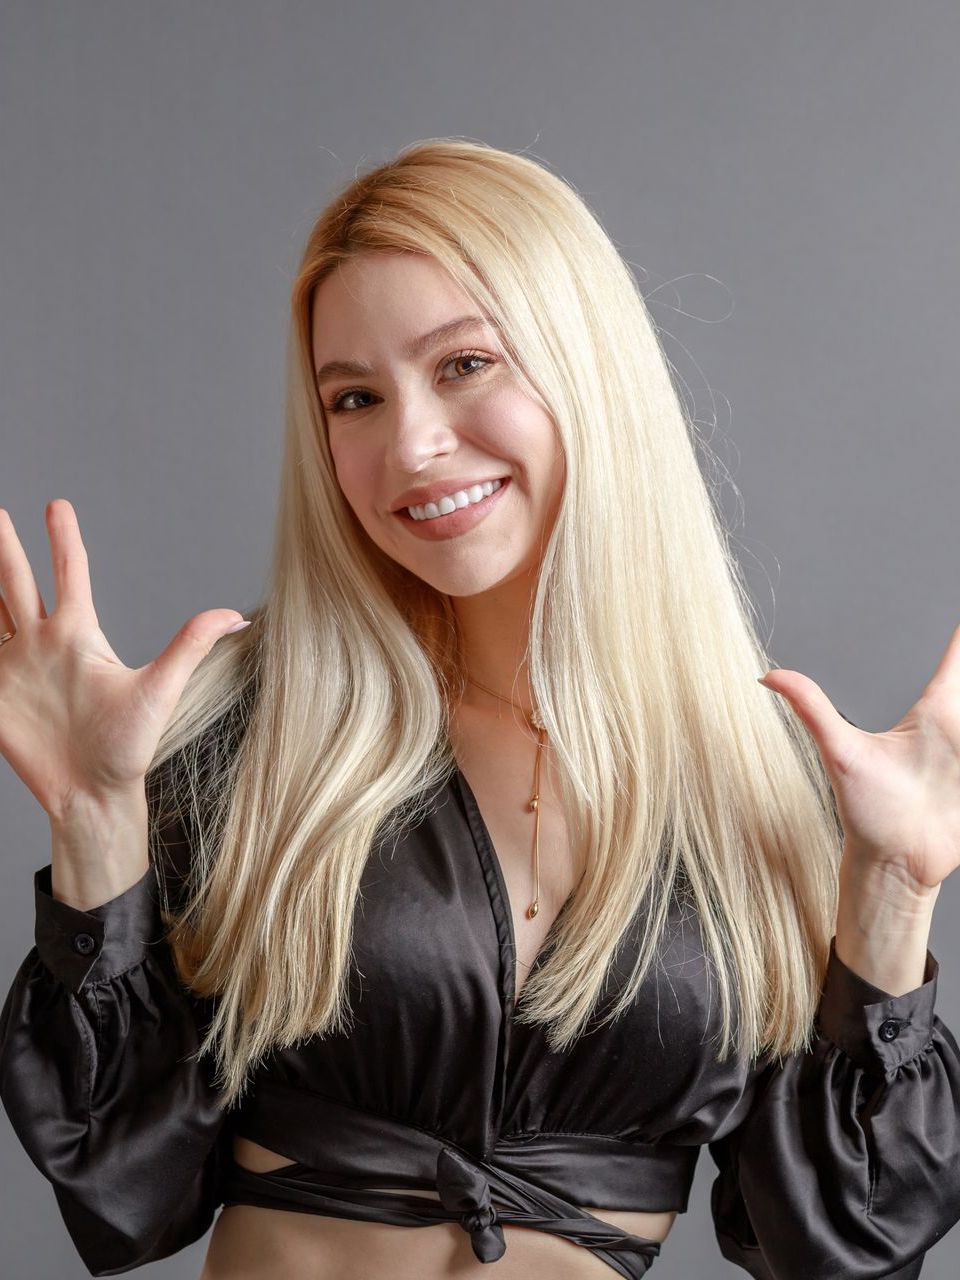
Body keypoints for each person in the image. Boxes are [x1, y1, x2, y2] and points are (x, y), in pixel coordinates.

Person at [0, 137, 958, 1280]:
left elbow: (840, 1245)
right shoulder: (248, 737)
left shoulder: (770, 789)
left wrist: (891, 895)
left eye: (463, 365)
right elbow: (124, 1183)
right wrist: (97, 826)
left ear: (585, 366)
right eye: (354, 397)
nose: (408, 444)